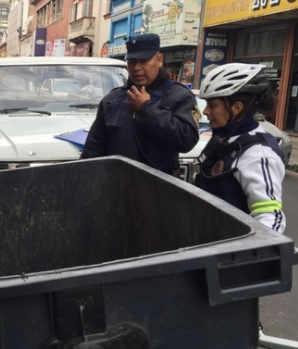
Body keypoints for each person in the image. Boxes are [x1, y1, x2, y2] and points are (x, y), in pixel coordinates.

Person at [81, 33, 199, 176]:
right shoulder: (112, 100)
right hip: (117, 187)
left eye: (144, 61)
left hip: (160, 189)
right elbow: (92, 152)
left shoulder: (179, 96)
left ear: (159, 59)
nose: (137, 68)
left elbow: (187, 140)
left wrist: (146, 108)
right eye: (132, 62)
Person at [196, 63, 286, 233]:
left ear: (236, 108)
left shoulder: (259, 154)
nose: (206, 111)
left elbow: (270, 217)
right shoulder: (227, 138)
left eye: (213, 105)